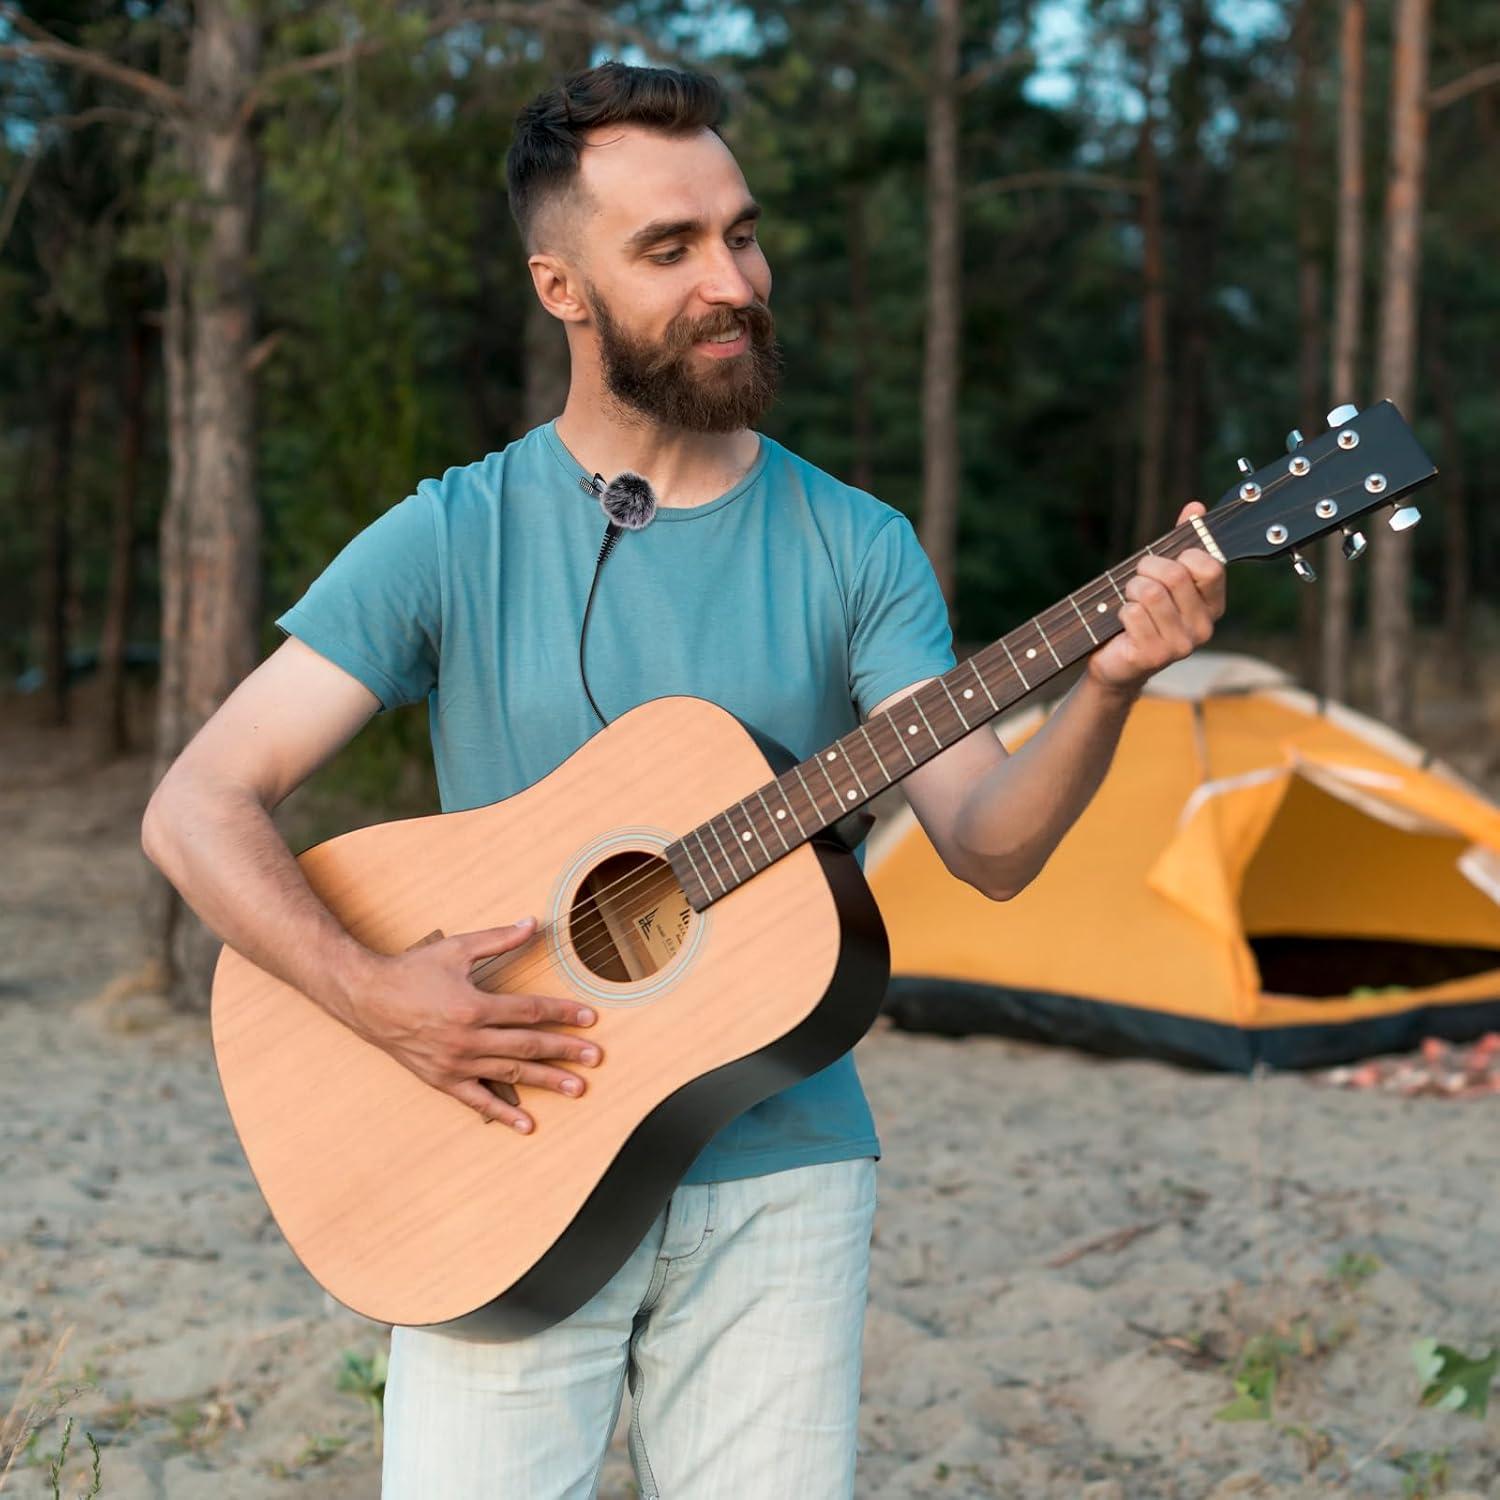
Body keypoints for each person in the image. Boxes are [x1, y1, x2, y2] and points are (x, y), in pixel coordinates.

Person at [141, 60, 1225, 1499]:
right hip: (499, 1150)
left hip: (780, 1163)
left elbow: (992, 843)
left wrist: (1107, 685)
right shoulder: (451, 536)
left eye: (741, 232)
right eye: (670, 248)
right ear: (560, 287)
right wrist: (371, 995)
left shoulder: (855, 545)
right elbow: (196, 805)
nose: (733, 279)